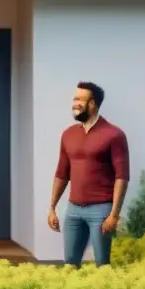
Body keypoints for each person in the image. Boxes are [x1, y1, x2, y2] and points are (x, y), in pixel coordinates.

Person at [48, 82, 130, 267]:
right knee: (70, 263)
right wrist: (52, 207)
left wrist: (114, 214)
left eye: (79, 99)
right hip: (73, 209)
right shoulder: (68, 134)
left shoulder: (114, 135)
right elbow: (62, 172)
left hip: (101, 210)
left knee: (102, 263)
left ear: (92, 104)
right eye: (74, 99)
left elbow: (122, 176)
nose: (74, 103)